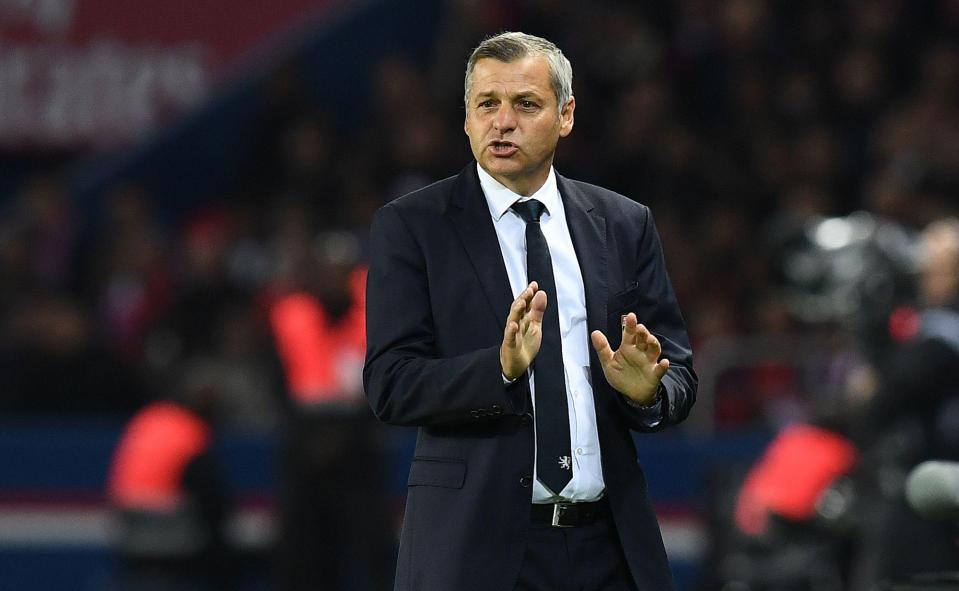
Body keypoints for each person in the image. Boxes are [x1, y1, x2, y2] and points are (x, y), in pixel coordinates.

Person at [363, 32, 696, 591]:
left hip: (609, 547)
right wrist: (499, 370)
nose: (503, 122)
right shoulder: (413, 227)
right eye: (486, 104)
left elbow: (679, 375)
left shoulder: (623, 224)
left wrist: (647, 393)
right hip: (477, 551)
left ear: (565, 116)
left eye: (525, 104)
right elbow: (390, 384)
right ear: (466, 118)